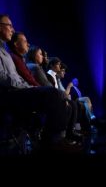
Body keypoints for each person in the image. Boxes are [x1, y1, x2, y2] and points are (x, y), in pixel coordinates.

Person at [0, 14, 80, 152]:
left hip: (18, 90)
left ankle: (53, 140)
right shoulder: (8, 54)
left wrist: (26, 86)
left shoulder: (5, 52)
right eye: (9, 26)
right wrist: (25, 86)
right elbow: (3, 77)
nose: (12, 30)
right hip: (9, 94)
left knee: (56, 95)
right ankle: (53, 142)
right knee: (53, 94)